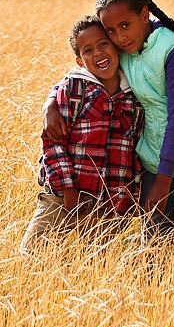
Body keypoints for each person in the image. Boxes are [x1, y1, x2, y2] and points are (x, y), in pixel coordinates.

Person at [45, 0, 174, 270]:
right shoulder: (127, 52)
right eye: (111, 31)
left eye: (125, 26)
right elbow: (85, 71)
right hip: (153, 159)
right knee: (154, 245)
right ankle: (154, 307)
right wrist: (50, 104)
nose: (119, 38)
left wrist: (163, 180)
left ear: (145, 14)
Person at [20, 14, 143, 254]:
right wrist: (68, 190)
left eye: (103, 44)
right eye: (88, 50)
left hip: (110, 201)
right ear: (79, 60)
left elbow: (135, 147)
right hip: (63, 193)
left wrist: (129, 197)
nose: (97, 53)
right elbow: (53, 142)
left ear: (116, 46)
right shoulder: (75, 87)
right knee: (32, 253)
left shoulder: (134, 93)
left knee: (97, 265)